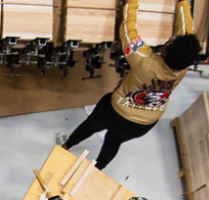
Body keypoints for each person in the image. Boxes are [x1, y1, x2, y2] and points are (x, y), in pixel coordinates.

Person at [60, 0, 201, 169]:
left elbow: (127, 30)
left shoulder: (143, 59)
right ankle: (95, 171)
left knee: (90, 125)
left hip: (116, 111)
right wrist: (183, 3)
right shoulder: (183, 67)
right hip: (144, 124)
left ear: (165, 50)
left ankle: (66, 146)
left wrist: (131, 2)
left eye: (169, 42)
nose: (170, 40)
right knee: (113, 142)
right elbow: (186, 32)